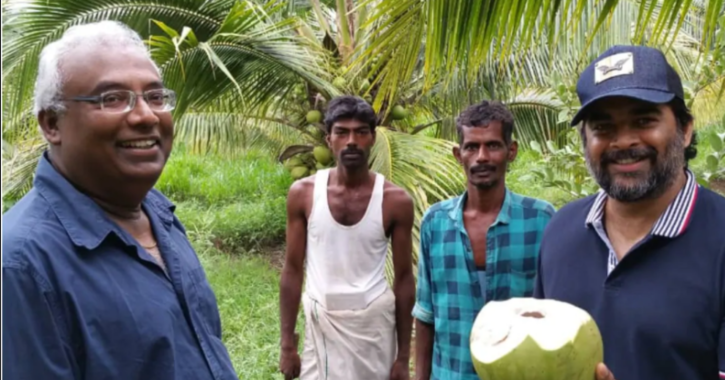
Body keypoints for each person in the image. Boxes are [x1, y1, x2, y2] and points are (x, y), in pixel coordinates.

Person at [2, 21, 238, 380]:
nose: (145, 115)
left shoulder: (159, 215)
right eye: (111, 99)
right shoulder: (21, 265)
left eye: (156, 97)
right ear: (52, 123)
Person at [534, 45, 725, 380]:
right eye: (603, 127)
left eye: (643, 120)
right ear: (585, 140)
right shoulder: (560, 230)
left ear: (685, 129)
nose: (623, 141)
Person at [413, 100, 557, 380]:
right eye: (471, 147)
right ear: (459, 154)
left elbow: (557, 312)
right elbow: (426, 314)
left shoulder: (542, 220)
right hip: (451, 373)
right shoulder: (436, 222)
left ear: (511, 151)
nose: (481, 157)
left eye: (492, 145)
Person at [279, 96, 415, 380]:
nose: (351, 140)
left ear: (372, 138)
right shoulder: (303, 194)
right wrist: (287, 344)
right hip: (321, 325)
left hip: (373, 328)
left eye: (361, 132)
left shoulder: (395, 201)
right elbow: (292, 270)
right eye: (342, 132)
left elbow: (404, 280)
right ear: (329, 139)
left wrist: (403, 358)